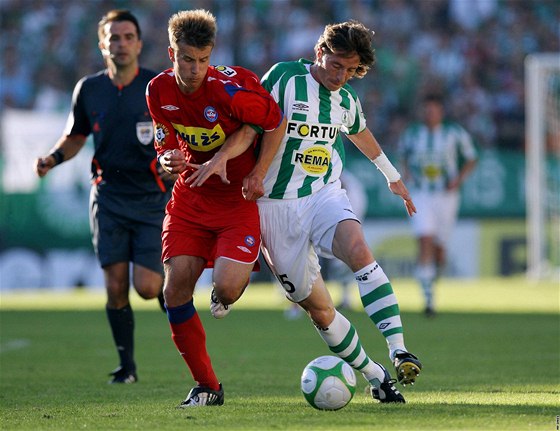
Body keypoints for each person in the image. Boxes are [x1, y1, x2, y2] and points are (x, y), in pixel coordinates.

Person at [191, 20, 421, 404]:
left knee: (359, 251)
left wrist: (392, 177)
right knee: (320, 310)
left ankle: (399, 349)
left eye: (351, 71)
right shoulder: (284, 77)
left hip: (323, 195)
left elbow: (360, 131)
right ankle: (375, 374)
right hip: (273, 209)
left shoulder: (346, 100)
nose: (342, 76)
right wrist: (244, 167)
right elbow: (252, 122)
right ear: (320, 53)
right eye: (336, 66)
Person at [145, 9, 284, 408]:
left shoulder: (230, 88)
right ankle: (207, 386)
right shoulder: (157, 91)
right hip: (191, 198)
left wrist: (254, 171)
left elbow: (273, 123)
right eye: (187, 60)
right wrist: (168, 159)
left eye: (203, 60)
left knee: (226, 287)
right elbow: (165, 141)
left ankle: (224, 293)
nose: (195, 69)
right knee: (174, 292)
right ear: (171, 52)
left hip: (236, 199)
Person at [34, 9, 173, 384]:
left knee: (145, 288)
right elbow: (76, 135)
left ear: (140, 43)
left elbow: (179, 135)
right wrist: (53, 157)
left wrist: (174, 161)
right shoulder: (89, 88)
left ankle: (172, 299)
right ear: (102, 44)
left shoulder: (158, 87)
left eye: (128, 37)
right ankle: (127, 366)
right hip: (108, 196)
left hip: (151, 197)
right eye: (114, 37)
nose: (121, 44)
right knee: (114, 286)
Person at [398, 93, 477, 317]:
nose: (429, 114)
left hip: (447, 197)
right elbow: (402, 155)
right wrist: (405, 174)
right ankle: (428, 298)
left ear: (441, 112)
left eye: (433, 110)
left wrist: (458, 179)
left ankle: (432, 280)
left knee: (440, 250)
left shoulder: (454, 132)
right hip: (421, 194)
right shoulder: (412, 133)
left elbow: (471, 157)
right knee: (425, 240)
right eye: (426, 110)